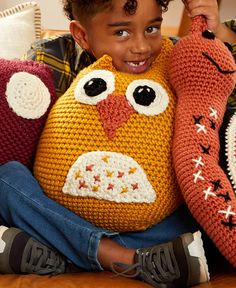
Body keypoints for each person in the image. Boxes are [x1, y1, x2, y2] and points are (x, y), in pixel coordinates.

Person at [0, 0, 234, 287]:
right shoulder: (50, 57)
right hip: (62, 209)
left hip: (149, 220)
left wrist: (216, 32)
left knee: (203, 201)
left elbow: (216, 103)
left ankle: (63, 251)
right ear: (82, 34)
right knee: (6, 178)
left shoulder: (174, 57)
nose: (142, 47)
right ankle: (129, 259)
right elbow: (25, 137)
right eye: (121, 33)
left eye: (152, 28)